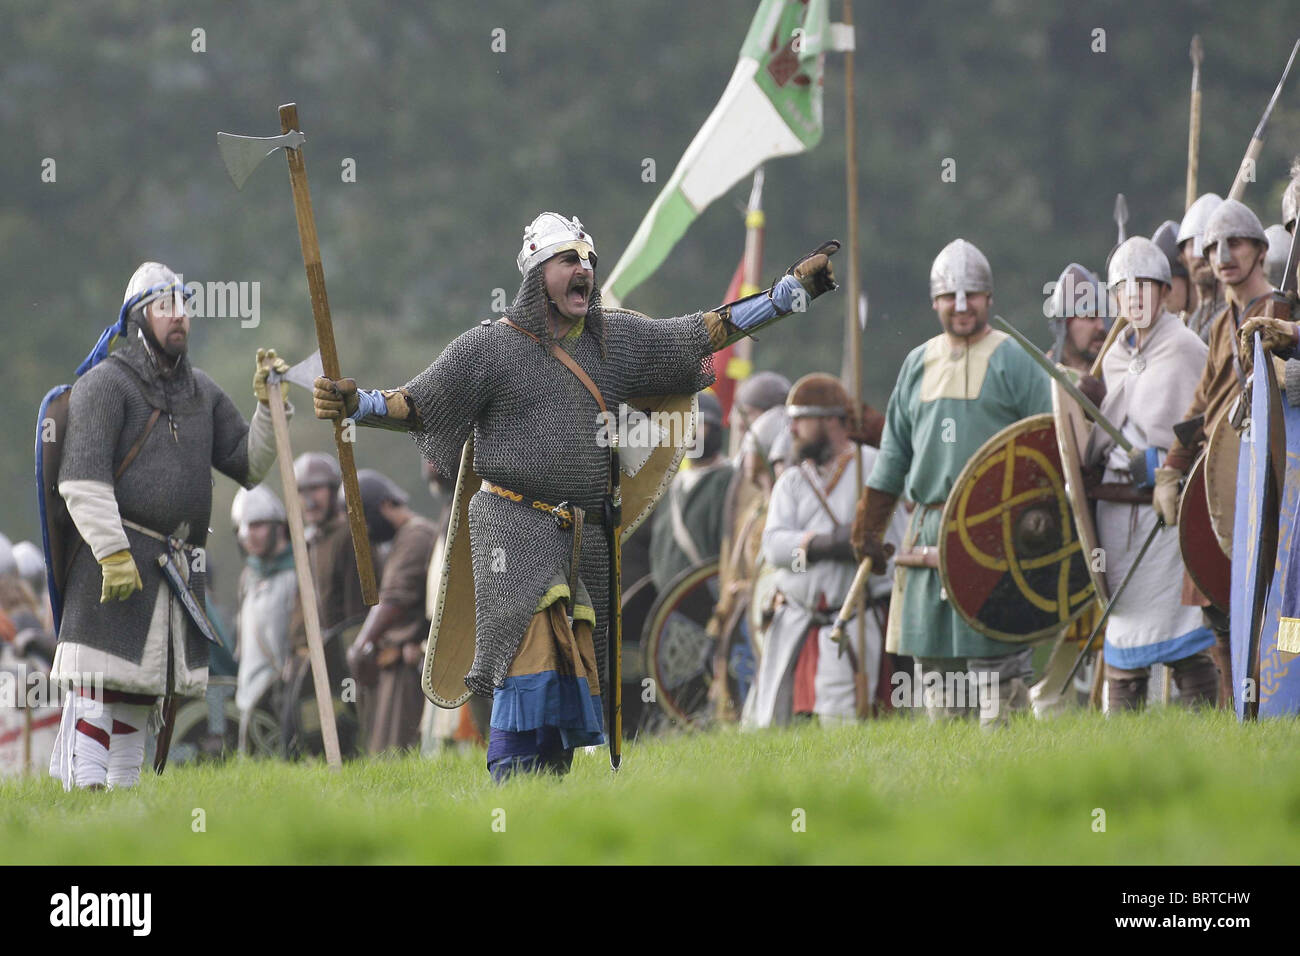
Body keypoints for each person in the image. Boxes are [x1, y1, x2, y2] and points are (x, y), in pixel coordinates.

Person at [313, 212, 838, 779]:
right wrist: (358, 404)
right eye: (569, 261)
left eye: (588, 260)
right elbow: (419, 404)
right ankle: (510, 787)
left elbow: (701, 332)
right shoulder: (491, 348)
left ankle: (546, 795)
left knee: (566, 679)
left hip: (578, 540)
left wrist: (786, 296)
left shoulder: (616, 342)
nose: (584, 270)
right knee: (529, 663)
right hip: (511, 531)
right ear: (539, 274)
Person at [48, 262, 287, 790]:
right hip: (113, 565)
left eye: (184, 306)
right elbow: (81, 481)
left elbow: (248, 464)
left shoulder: (200, 392)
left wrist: (271, 409)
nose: (179, 316)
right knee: (99, 691)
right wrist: (113, 554)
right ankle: (84, 803)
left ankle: (124, 806)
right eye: (165, 307)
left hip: (174, 571)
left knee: (140, 697)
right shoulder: (105, 385)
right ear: (139, 318)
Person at [851, 238, 1052, 725]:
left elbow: (1048, 446)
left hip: (997, 534)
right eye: (950, 296)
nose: (961, 307)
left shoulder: (1016, 359)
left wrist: (1041, 517)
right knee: (938, 675)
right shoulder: (917, 363)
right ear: (934, 301)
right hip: (928, 533)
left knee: (999, 673)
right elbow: (894, 454)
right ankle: (951, 788)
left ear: (989, 299)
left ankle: (1007, 782)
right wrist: (870, 526)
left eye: (972, 295)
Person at [1086, 238, 1218, 710]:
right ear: (1115, 297)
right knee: (1122, 641)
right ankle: (1122, 757)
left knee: (1182, 638)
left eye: (1146, 286)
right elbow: (1092, 444)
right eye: (1126, 288)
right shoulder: (1111, 356)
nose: (1136, 297)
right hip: (1113, 515)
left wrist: (1163, 462)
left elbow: (1209, 429)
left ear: (1165, 292)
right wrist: (1085, 404)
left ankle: (1206, 741)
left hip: (1166, 515)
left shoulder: (1186, 349)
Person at [1160, 199, 1275, 706]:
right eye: (1215, 247)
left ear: (1261, 251)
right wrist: (1171, 468)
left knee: (1279, 604)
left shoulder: (1284, 311)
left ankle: (1279, 700)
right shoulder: (1218, 325)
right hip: (1220, 484)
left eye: (1237, 243)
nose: (1225, 255)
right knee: (1219, 608)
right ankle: (1236, 710)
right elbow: (1200, 408)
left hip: (1273, 477)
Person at [747, 374, 901, 726]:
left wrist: (869, 549)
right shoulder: (792, 481)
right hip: (796, 620)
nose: (792, 430)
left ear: (831, 420)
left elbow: (895, 546)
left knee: (840, 722)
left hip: (852, 619)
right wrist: (824, 544)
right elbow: (775, 547)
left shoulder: (874, 467)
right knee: (773, 725)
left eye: (801, 419)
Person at [347, 470, 436, 754]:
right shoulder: (399, 541)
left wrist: (362, 643)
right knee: (383, 758)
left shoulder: (417, 535)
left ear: (386, 505)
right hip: (394, 667)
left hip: (409, 669)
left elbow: (394, 599)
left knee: (398, 755)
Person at [649, 389, 734, 591]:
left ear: (714, 428)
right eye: (687, 425)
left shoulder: (729, 480)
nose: (692, 432)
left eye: (699, 424)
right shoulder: (672, 484)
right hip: (669, 609)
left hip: (708, 604)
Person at [232, 484, 295, 753]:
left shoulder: (298, 573)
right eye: (243, 528)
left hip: (286, 693)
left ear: (278, 526)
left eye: (257, 525)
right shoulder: (248, 577)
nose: (249, 535)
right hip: (250, 697)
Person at [1175, 193, 1224, 342]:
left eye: (1211, 245)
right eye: (1193, 244)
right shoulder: (1194, 319)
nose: (1202, 255)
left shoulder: (1235, 311)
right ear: (1183, 256)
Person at [1045, 262, 1108, 373]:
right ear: (1065, 325)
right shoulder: (1043, 377)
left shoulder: (1120, 372)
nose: (1101, 326)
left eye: (1102, 317)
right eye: (1091, 317)